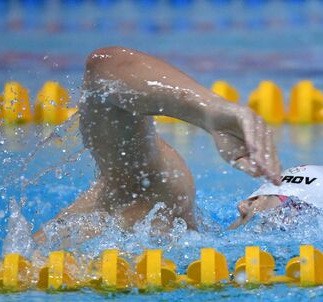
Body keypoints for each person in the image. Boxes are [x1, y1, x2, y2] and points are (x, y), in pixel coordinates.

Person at [33, 46, 281, 244]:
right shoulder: (162, 200)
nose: (243, 205)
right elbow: (104, 70)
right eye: (255, 198)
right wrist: (211, 111)